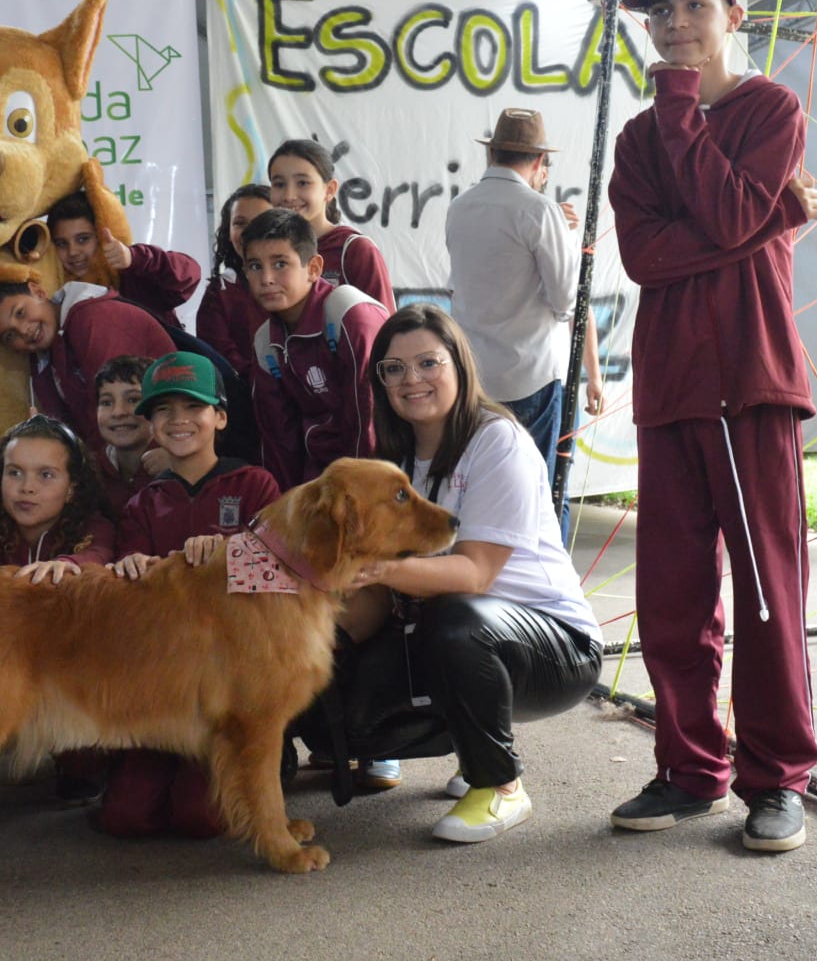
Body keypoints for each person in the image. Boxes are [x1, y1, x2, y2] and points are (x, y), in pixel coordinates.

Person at [607, 0, 817, 852]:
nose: (671, 27)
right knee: (669, 596)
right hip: (668, 390)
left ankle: (776, 779)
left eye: (690, 7)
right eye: (657, 14)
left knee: (768, 594)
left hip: (750, 382)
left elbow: (728, 217)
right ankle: (690, 769)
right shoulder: (634, 137)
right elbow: (642, 258)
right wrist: (778, 214)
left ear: (732, 15)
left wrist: (685, 114)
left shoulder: (769, 108)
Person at [343, 304, 601, 840]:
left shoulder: (496, 439)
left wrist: (375, 568)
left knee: (458, 617)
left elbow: (476, 574)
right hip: (463, 633)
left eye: (428, 363)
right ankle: (473, 745)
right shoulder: (396, 455)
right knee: (348, 714)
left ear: (459, 364)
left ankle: (500, 786)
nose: (411, 379)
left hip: (556, 645)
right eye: (394, 368)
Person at [99, 351, 283, 838]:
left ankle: (271, 761)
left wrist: (229, 552)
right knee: (124, 818)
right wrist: (130, 568)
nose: (178, 420)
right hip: (167, 689)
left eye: (193, 407)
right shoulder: (143, 503)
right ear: (151, 424)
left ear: (220, 417)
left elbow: (280, 574)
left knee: (199, 818)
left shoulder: (256, 484)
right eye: (163, 410)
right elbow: (130, 590)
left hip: (236, 682)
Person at [0, 415, 117, 836]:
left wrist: (66, 567)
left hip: (70, 666)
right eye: (15, 473)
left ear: (72, 489)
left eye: (45, 475)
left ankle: (83, 765)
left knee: (89, 675)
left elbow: (99, 555)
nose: (27, 487)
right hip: (4, 668)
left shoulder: (91, 529)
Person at [443, 109, 604, 475]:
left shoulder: (459, 207)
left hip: (474, 376)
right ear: (540, 160)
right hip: (531, 377)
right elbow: (566, 302)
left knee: (485, 483)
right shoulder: (540, 210)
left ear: (492, 154)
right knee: (539, 491)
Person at [241, 208, 387, 489]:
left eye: (281, 264)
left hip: (379, 477)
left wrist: (358, 498)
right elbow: (280, 445)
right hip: (323, 482)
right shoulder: (265, 343)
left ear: (314, 268)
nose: (267, 278)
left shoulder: (351, 316)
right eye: (255, 266)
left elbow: (369, 421)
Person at [0, 279, 174, 455]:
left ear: (38, 291)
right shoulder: (44, 360)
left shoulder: (94, 318)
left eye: (21, 313)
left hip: (158, 456)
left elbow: (124, 414)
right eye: (10, 335)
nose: (24, 330)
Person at [268, 138, 395, 313]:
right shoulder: (268, 249)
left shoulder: (355, 250)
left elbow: (384, 329)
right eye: (279, 184)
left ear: (329, 190)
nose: (289, 195)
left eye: (303, 183)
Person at [46, 192, 202, 328]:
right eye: (61, 243)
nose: (72, 252)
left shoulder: (134, 273)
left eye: (83, 239)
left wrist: (135, 258)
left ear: (100, 237)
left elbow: (189, 275)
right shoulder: (55, 293)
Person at [196, 184, 274, 384]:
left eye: (261, 221)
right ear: (228, 231)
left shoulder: (307, 283)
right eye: (240, 223)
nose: (250, 231)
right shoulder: (219, 294)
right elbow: (220, 361)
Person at [91, 355, 160, 514]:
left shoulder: (179, 466)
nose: (118, 412)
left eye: (133, 399)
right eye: (107, 402)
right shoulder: (91, 473)